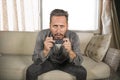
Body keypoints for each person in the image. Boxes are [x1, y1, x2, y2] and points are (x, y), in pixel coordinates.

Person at [26, 9, 87, 80]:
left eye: (62, 26)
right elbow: (35, 60)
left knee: (82, 72)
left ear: (67, 26)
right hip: (48, 62)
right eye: (55, 26)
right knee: (30, 71)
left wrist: (70, 51)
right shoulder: (42, 34)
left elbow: (79, 62)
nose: (58, 31)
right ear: (50, 25)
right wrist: (45, 51)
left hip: (66, 63)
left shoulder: (73, 36)